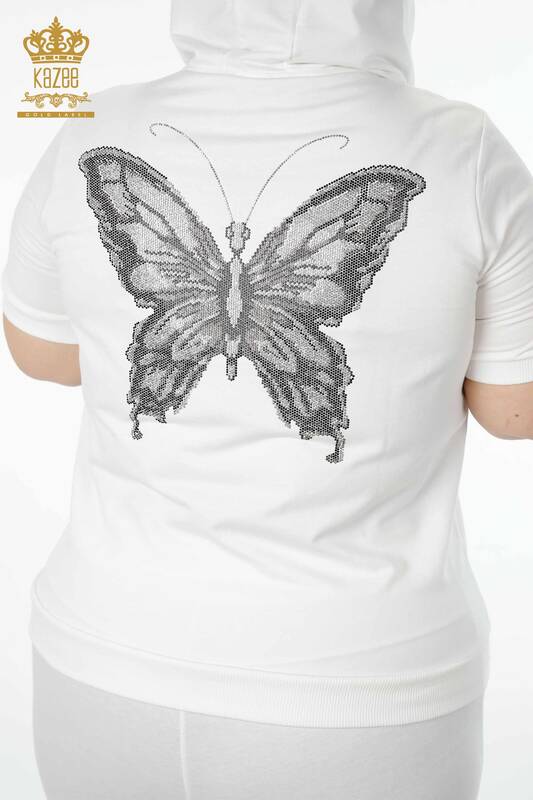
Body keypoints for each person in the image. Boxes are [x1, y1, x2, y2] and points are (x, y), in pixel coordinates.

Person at [3, 0, 533, 798]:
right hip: (362, 692)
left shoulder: (94, 128)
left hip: (102, 662)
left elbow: (42, 352)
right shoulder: (463, 149)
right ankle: (316, 419)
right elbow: (512, 410)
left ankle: (165, 394)